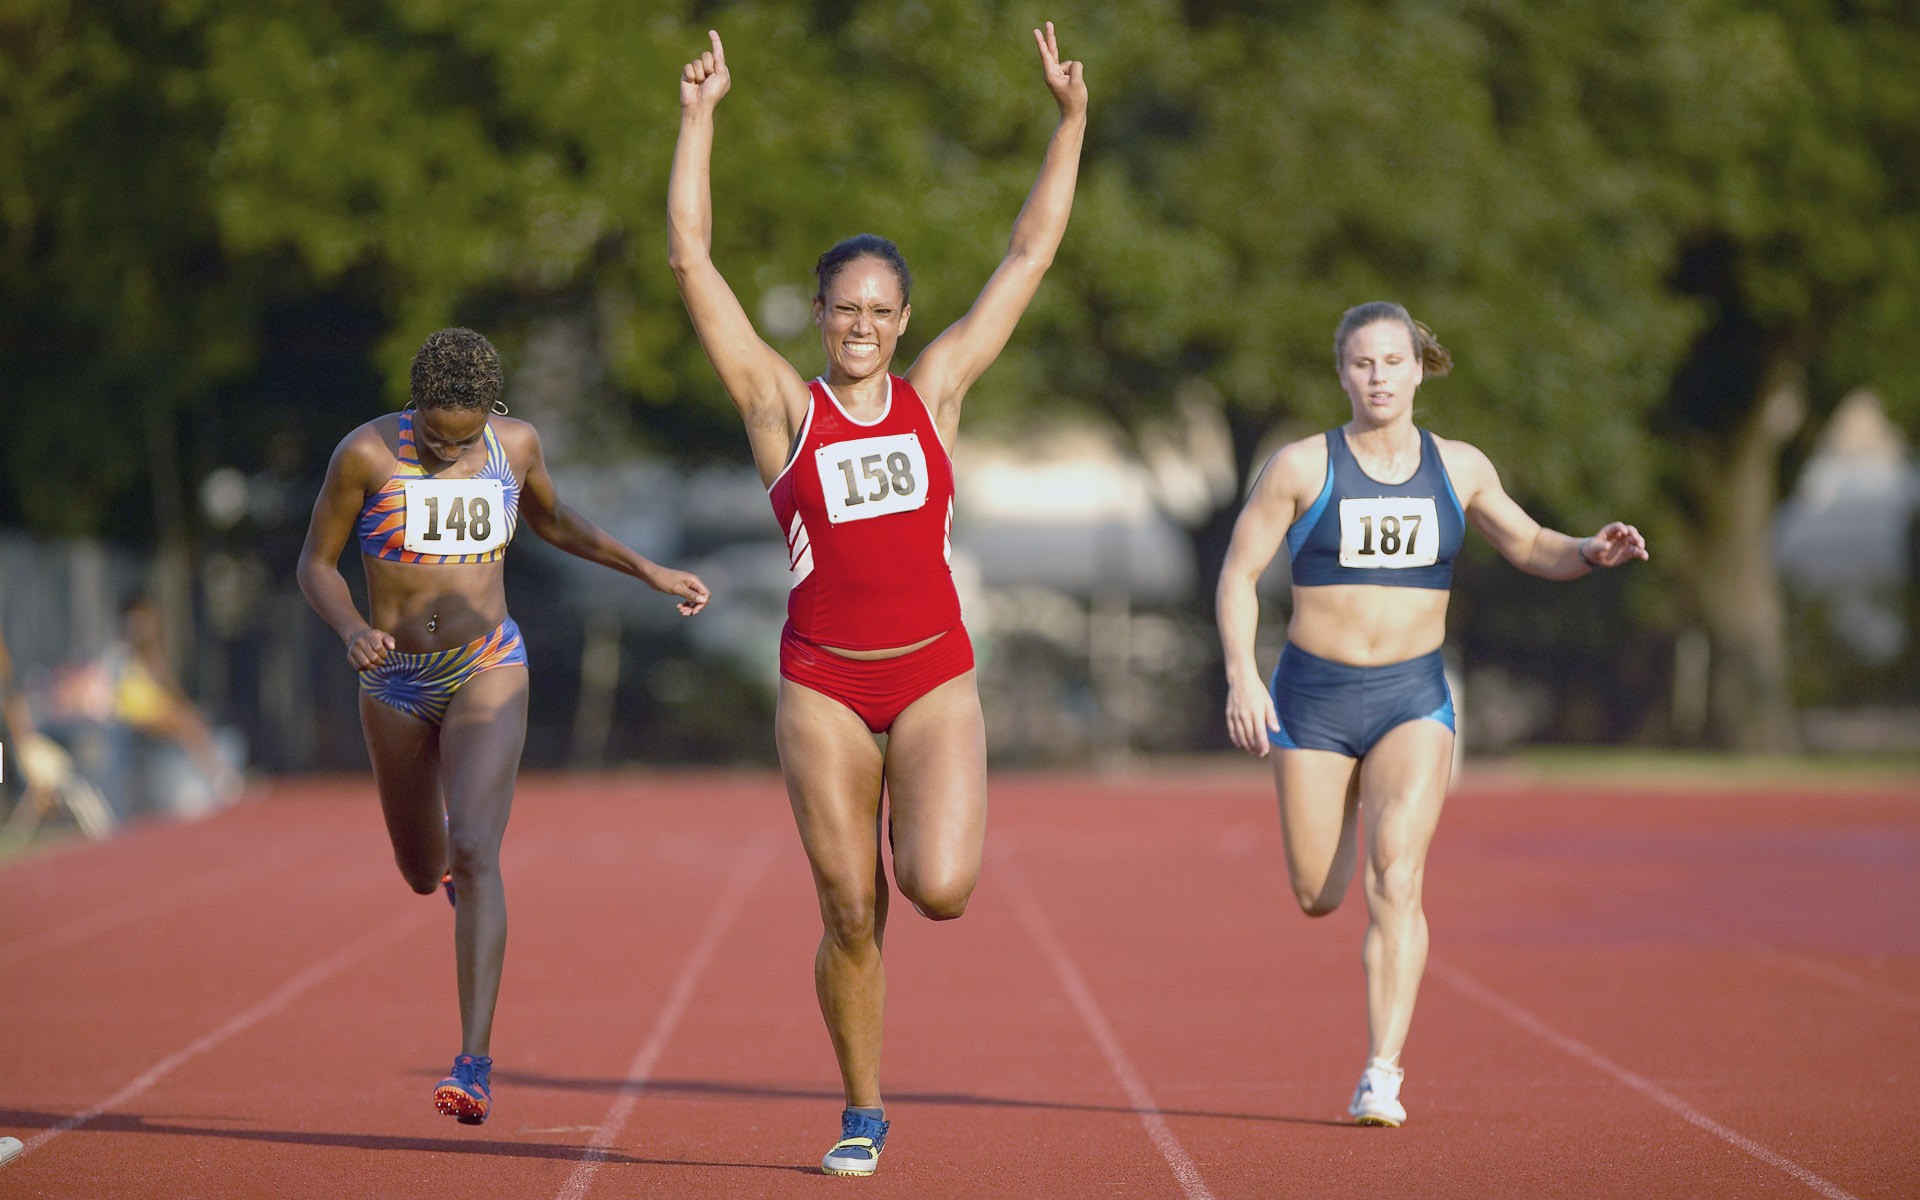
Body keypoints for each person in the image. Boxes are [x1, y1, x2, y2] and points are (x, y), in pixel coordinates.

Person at [668, 22, 1085, 1176]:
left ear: (904, 320)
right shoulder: (778, 408)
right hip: (822, 685)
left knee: (938, 889)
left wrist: (1071, 124)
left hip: (935, 674)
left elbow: (1029, 257)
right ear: (820, 315)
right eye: (843, 308)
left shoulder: (936, 394)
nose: (862, 325)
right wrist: (699, 119)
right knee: (851, 908)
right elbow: (693, 264)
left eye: (880, 310)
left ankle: (915, 815)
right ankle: (862, 1108)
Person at [1215, 302, 1648, 1128]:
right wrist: (1244, 676)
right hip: (1312, 699)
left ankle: (1383, 1071)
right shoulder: (1301, 467)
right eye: (1362, 363)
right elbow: (1237, 577)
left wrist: (1589, 552)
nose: (1378, 377)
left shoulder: (1459, 468)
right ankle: (1340, 801)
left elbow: (1528, 544)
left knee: (1397, 877)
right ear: (1341, 373)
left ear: (1421, 368)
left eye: (1392, 361)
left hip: (1413, 697)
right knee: (1316, 892)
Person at [296, 327, 710, 1126]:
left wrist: (646, 570)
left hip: (488, 662)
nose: (450, 453)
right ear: (414, 407)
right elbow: (316, 561)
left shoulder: (513, 445)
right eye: (436, 437)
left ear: (492, 412)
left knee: (478, 850)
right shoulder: (366, 454)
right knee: (423, 870)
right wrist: (351, 628)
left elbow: (556, 523)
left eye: (464, 439)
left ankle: (474, 1063)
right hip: (392, 680)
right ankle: (446, 870)